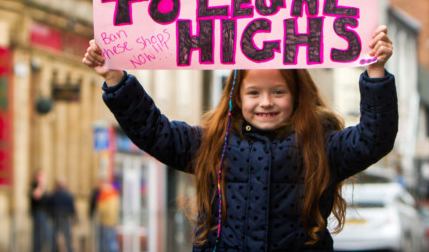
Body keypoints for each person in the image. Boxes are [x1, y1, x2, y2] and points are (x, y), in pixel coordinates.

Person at [82, 25, 397, 251]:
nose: (265, 102)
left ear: (297, 95)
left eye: (278, 92)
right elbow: (155, 132)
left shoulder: (322, 145)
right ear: (236, 96)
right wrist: (116, 80)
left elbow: (375, 138)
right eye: (253, 92)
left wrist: (376, 73)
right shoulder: (214, 144)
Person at [49, 179, 77, 252]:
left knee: (55, 237)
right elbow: (72, 209)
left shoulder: (54, 195)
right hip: (64, 218)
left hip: (57, 218)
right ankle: (70, 249)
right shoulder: (68, 195)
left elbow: (50, 207)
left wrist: (51, 216)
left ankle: (54, 250)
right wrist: (74, 219)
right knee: (66, 236)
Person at [30, 169, 51, 252]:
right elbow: (37, 196)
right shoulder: (34, 186)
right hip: (38, 213)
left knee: (46, 235)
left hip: (45, 213)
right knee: (38, 235)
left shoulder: (45, 187)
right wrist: (40, 184)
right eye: (41, 176)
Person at [96, 180, 120, 252]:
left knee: (109, 242)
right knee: (107, 241)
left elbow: (108, 210)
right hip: (106, 222)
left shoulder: (109, 197)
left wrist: (101, 208)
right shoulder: (110, 196)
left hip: (108, 222)